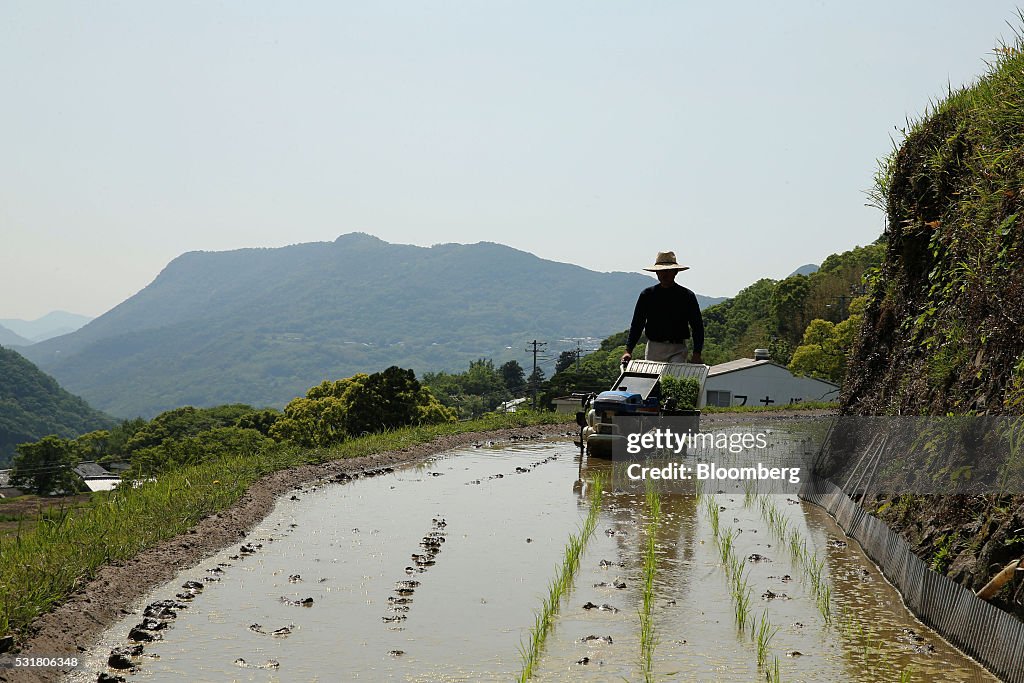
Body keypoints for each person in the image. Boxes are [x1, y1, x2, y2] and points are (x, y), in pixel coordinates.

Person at [620, 251, 704, 365]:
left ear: (675, 272)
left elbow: (697, 326)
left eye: (668, 271)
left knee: (673, 379)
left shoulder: (686, 296)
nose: (664, 274)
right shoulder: (647, 295)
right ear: (656, 273)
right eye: (661, 271)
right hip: (654, 348)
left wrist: (697, 353)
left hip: (678, 348)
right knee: (653, 381)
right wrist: (628, 350)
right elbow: (637, 324)